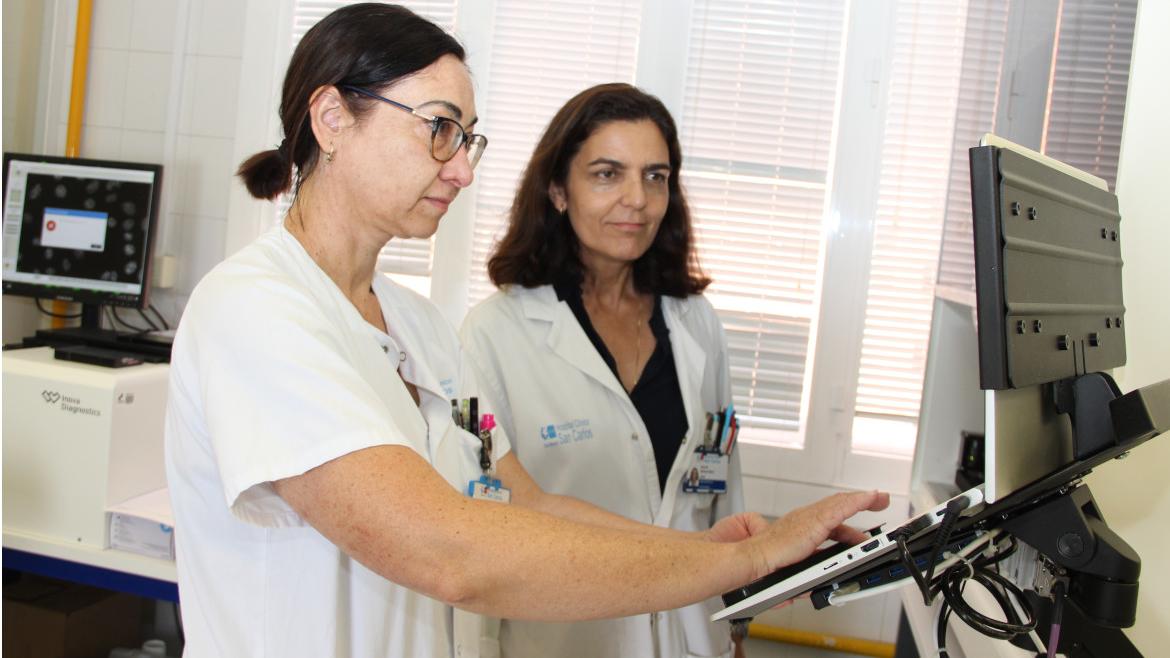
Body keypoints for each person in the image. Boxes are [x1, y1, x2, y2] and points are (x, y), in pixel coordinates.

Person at [164, 5, 888, 658]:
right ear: (331, 119)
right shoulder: (254, 309)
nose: (461, 170)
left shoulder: (418, 326)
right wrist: (743, 564)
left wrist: (704, 544)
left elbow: (517, 499)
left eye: (467, 140)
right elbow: (449, 551)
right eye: (439, 130)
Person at [459, 83, 744, 658]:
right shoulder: (493, 334)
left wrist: (734, 625)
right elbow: (480, 516)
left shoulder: (697, 325)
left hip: (689, 635)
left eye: (655, 176)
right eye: (608, 174)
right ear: (559, 190)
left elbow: (721, 485)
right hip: (563, 637)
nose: (637, 199)